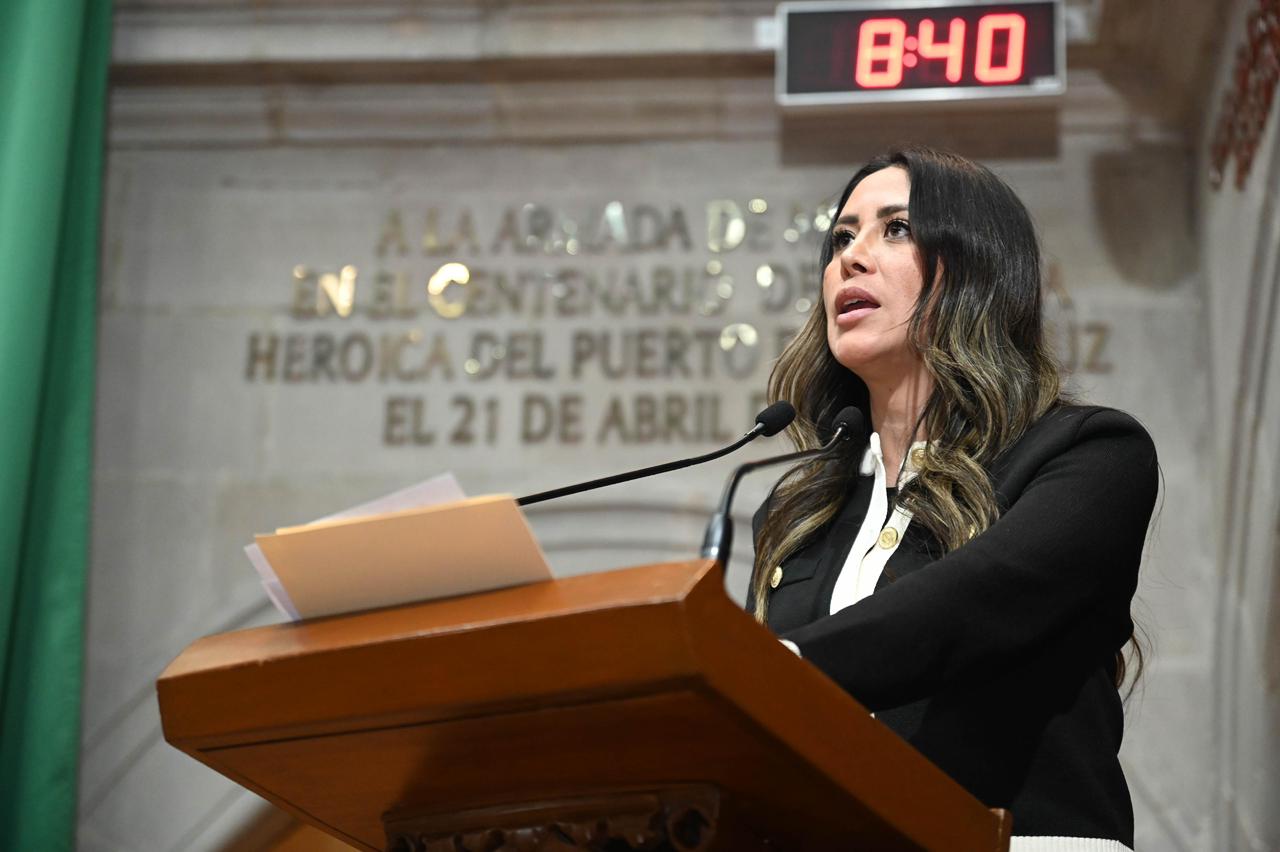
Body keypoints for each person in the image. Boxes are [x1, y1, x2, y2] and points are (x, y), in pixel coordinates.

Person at [750, 146, 1158, 852]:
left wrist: (770, 670)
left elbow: (980, 600)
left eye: (896, 229)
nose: (851, 258)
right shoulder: (798, 514)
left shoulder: (1088, 454)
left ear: (976, 269)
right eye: (841, 238)